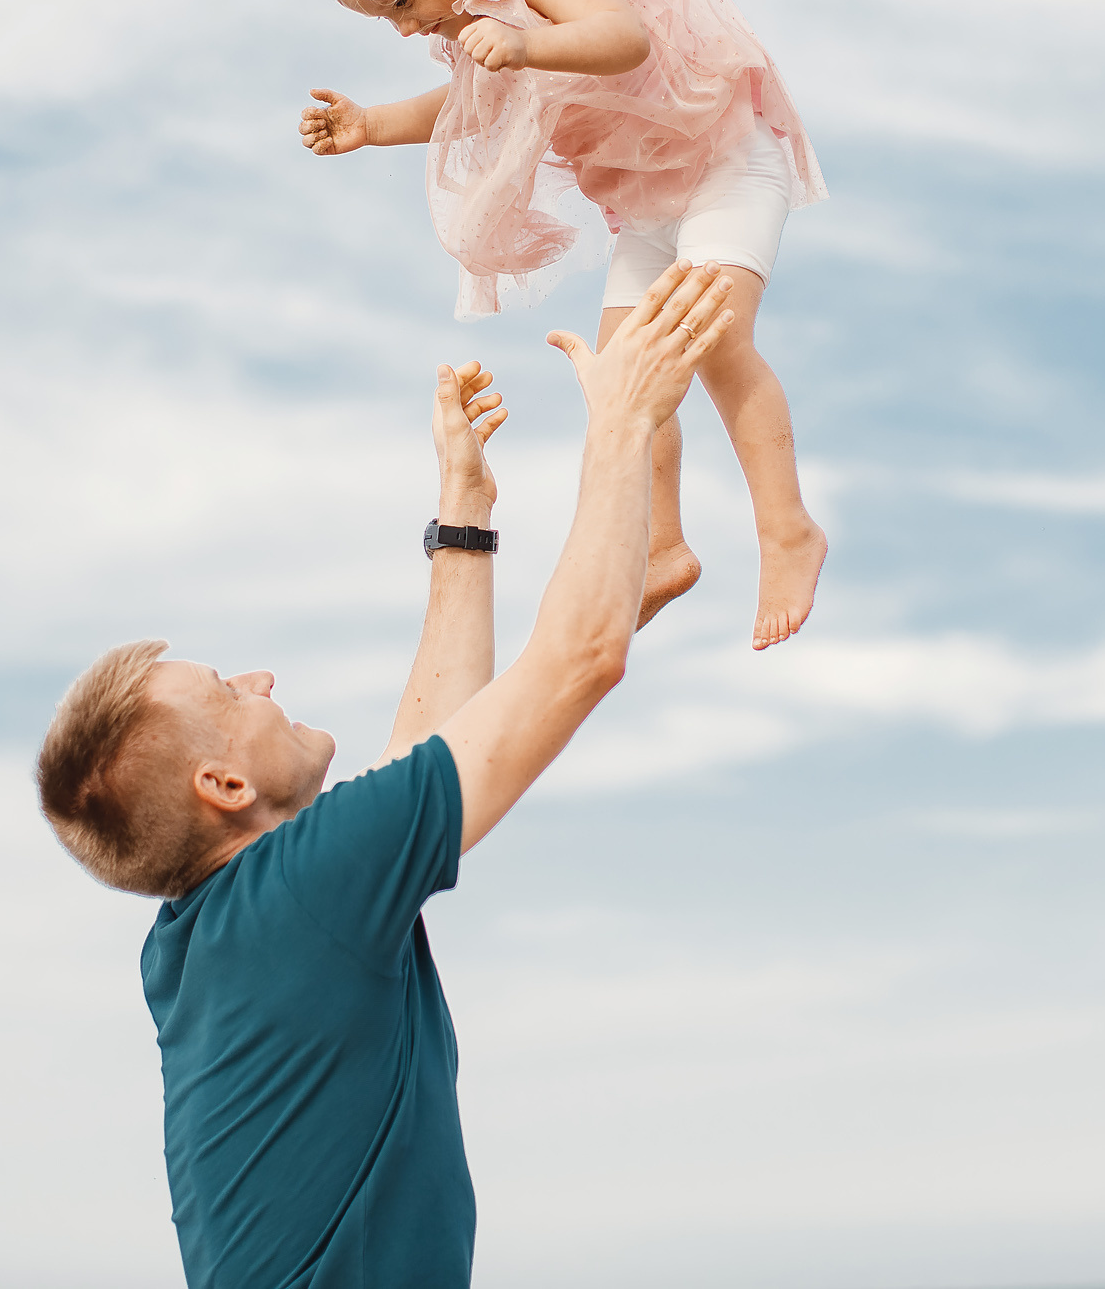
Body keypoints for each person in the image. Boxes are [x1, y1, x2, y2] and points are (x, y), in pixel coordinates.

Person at [36, 260, 736, 1289]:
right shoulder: (299, 893)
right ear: (223, 788)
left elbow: (432, 756)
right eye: (233, 692)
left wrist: (463, 513)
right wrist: (623, 418)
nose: (263, 677)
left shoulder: (213, 936)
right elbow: (580, 661)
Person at [287, 0, 830, 650]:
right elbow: (471, 104)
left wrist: (526, 43)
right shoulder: (470, 13)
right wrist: (371, 124)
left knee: (712, 340)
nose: (404, 29)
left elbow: (623, 37)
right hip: (646, 196)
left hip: (721, 151)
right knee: (621, 384)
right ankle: (662, 546)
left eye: (399, 1)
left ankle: (788, 528)